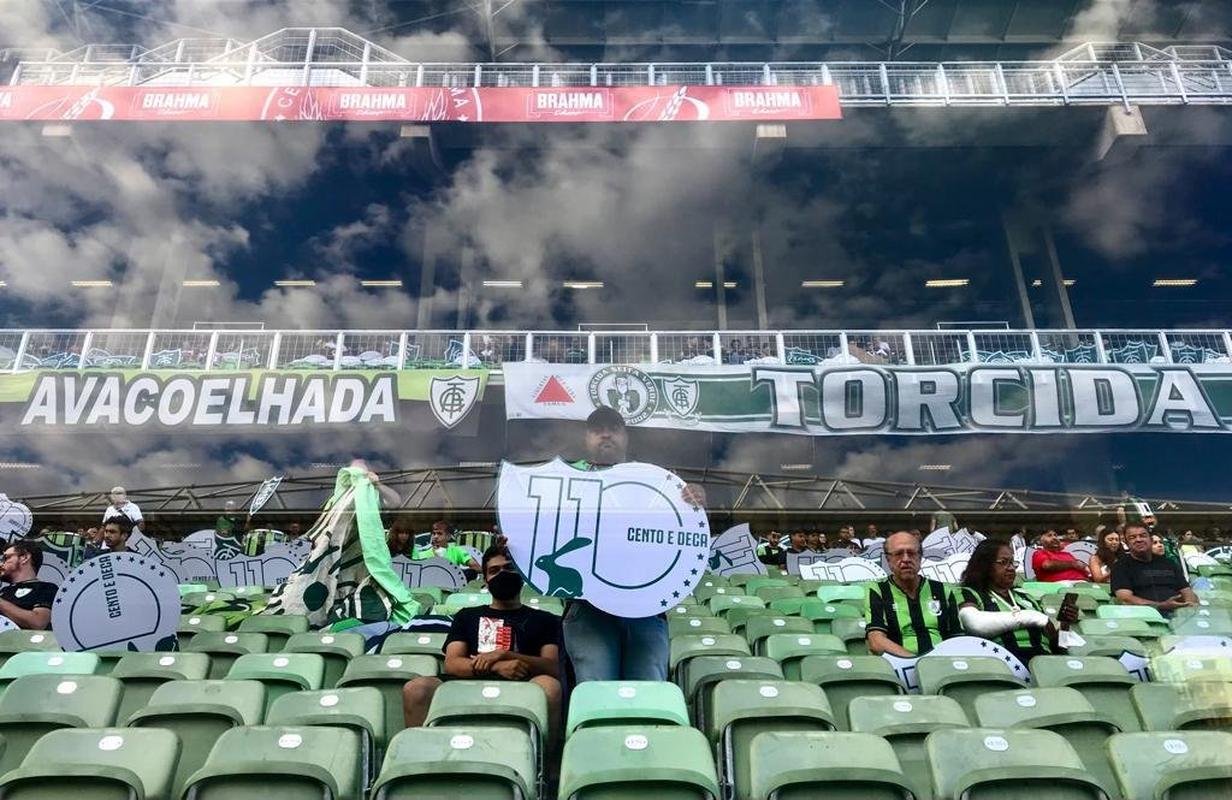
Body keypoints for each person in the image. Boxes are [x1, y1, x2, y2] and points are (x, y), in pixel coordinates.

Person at [562, 406, 705, 683]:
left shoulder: (654, 479)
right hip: (589, 605)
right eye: (597, 429)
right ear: (586, 438)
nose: (606, 434)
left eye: (613, 428)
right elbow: (543, 528)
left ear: (625, 436)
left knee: (648, 693)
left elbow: (679, 532)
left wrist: (692, 503)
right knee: (596, 692)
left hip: (646, 604)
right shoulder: (565, 479)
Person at [402, 546, 562, 736]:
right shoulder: (467, 616)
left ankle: (546, 762)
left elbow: (552, 667)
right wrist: (496, 666)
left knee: (550, 687)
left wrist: (506, 654)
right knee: (416, 688)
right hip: (467, 684)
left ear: (521, 574)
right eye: (494, 571)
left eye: (509, 568)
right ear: (485, 579)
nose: (503, 574)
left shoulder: (545, 619)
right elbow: (452, 663)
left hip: (524, 684)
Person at [958, 539, 1078, 662]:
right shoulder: (970, 593)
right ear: (985, 565)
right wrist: (1032, 617)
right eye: (1003, 562)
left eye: (1012, 563)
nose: (1011, 568)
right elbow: (975, 624)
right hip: (1004, 665)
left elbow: (1060, 647)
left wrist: (1065, 624)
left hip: (1045, 662)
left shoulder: (1026, 598)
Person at [865, 531, 961, 657]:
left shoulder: (942, 590)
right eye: (898, 554)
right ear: (888, 560)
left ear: (920, 557)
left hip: (940, 664)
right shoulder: (878, 590)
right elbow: (876, 641)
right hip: (897, 667)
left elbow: (957, 639)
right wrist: (915, 662)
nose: (905, 559)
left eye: (911, 553)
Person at [1110, 524, 1197, 614]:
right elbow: (1125, 599)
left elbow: (1187, 591)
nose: (1138, 540)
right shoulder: (1120, 566)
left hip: (1179, 614)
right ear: (1127, 544)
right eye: (1132, 537)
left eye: (1143, 536)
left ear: (1151, 540)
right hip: (1146, 617)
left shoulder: (1169, 563)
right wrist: (1162, 605)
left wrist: (1189, 606)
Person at [0, 540, 57, 630]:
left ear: (24, 557)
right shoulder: (3, 591)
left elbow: (38, 622)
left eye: (6, 558)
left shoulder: (46, 588)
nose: (2, 564)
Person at [412, 520, 480, 572]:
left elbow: (476, 567)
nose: (435, 536)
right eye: (434, 533)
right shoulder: (422, 554)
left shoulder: (457, 551)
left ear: (448, 536)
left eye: (439, 533)